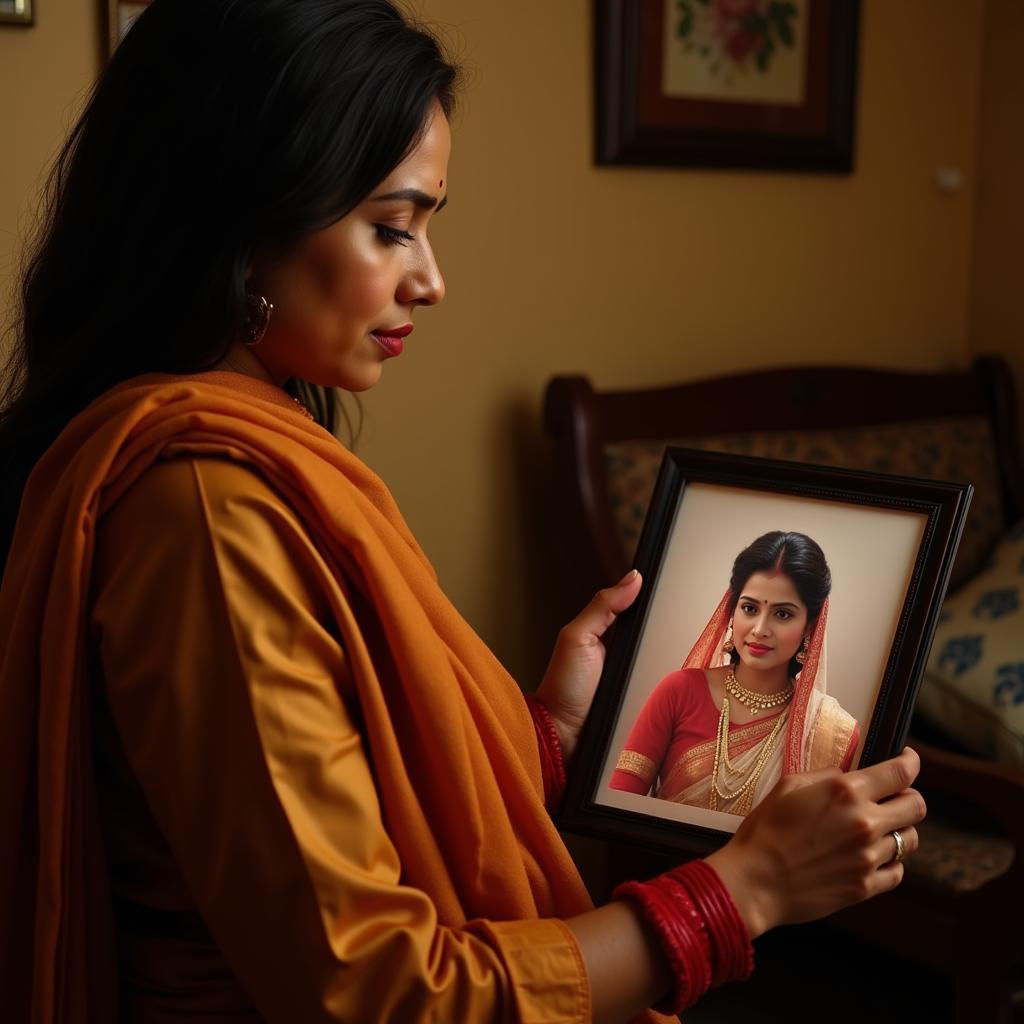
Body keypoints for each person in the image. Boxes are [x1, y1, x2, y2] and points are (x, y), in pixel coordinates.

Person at [0, 2, 925, 1022]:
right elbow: (377, 991)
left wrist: (547, 734)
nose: (431, 280)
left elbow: (319, 803)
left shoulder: (245, 457)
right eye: (392, 228)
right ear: (243, 220)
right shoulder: (205, 517)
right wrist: (740, 893)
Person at [611, 532, 859, 816]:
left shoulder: (830, 732)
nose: (760, 629)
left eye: (783, 614)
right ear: (732, 611)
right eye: (750, 608)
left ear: (808, 628)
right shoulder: (679, 691)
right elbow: (618, 808)